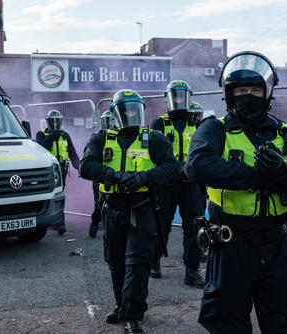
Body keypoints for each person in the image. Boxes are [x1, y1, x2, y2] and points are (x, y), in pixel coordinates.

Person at [185, 51, 287, 333]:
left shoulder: (286, 134)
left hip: (278, 247)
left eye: (256, 89)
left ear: (268, 93)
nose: (249, 95)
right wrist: (259, 177)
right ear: (230, 94)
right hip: (230, 246)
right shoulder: (214, 129)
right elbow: (196, 166)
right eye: (242, 90)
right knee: (227, 325)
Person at [80, 89, 179, 334]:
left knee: (137, 264)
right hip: (112, 209)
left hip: (142, 209)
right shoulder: (101, 138)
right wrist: (112, 175)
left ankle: (133, 315)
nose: (131, 113)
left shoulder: (154, 138)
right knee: (115, 262)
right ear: (115, 113)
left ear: (141, 110)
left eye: (135, 108)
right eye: (125, 109)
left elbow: (172, 168)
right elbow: (86, 166)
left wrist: (143, 177)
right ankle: (121, 305)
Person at [149, 80, 205, 288]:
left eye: (183, 96)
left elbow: (202, 151)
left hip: (190, 183)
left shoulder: (196, 123)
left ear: (189, 98)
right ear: (168, 99)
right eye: (175, 96)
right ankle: (154, 260)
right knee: (161, 225)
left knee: (194, 226)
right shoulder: (159, 124)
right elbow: (152, 154)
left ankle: (192, 270)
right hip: (166, 183)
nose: (179, 100)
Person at [35, 109, 80, 235]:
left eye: (57, 121)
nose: (55, 124)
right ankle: (55, 221)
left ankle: (59, 222)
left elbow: (72, 153)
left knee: (59, 193)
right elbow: (40, 149)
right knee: (49, 195)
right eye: (52, 122)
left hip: (61, 169)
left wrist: (80, 168)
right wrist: (51, 137)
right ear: (47, 122)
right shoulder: (41, 134)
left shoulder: (65, 136)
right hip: (48, 169)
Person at [89, 110, 117, 238]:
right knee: (99, 203)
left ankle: (110, 232)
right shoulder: (97, 136)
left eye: (110, 120)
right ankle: (95, 223)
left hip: (114, 175)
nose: (108, 123)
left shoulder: (119, 136)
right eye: (105, 120)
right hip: (100, 175)